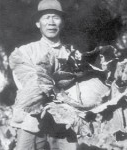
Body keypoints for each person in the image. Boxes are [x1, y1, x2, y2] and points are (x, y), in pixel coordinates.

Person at [9, 0, 79, 149]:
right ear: (37, 23)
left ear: (62, 22)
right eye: (46, 17)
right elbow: (24, 84)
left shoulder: (73, 54)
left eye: (56, 17)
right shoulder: (25, 51)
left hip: (64, 123)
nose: (51, 22)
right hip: (32, 121)